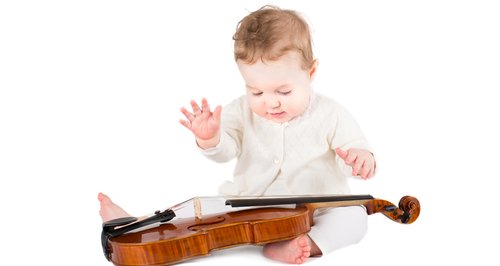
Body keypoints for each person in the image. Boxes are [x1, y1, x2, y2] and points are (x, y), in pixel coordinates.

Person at [99, 5, 375, 264]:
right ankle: (134, 226)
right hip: (251, 207)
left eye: (284, 91)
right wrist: (210, 138)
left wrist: (360, 159)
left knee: (355, 218)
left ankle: (306, 243)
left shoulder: (332, 113)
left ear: (311, 72)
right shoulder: (240, 111)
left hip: (319, 207)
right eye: (256, 92)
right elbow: (225, 149)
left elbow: (353, 148)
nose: (271, 102)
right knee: (200, 215)